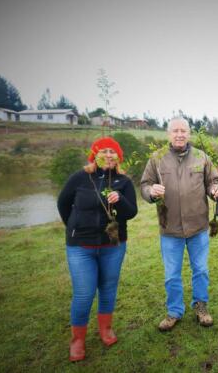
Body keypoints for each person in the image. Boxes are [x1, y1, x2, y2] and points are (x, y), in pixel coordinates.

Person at [57, 137, 137, 361]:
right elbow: (63, 203)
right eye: (104, 151)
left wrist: (119, 199)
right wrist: (73, 226)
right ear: (95, 154)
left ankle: (105, 329)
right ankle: (78, 340)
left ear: (119, 156)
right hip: (81, 247)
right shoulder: (80, 178)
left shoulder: (123, 181)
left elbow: (131, 212)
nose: (109, 155)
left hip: (113, 246)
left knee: (108, 288)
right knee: (84, 293)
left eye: (113, 151)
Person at [140, 117, 218, 331]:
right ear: (169, 134)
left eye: (183, 131)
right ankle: (174, 312)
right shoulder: (157, 158)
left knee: (201, 270)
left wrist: (215, 190)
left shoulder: (201, 157)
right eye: (175, 130)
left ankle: (201, 307)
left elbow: (213, 181)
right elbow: (144, 185)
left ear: (189, 134)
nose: (179, 134)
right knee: (171, 275)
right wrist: (150, 192)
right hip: (169, 228)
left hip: (198, 227)